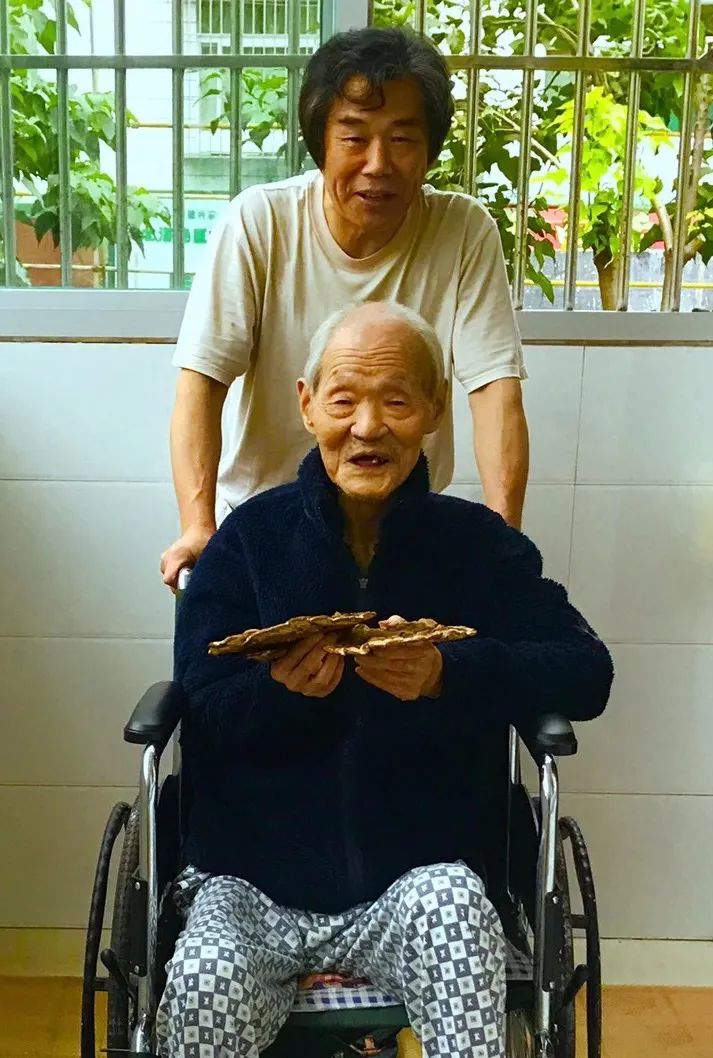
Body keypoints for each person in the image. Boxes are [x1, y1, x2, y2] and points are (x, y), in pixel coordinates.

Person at [155, 302, 613, 1058]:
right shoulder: (249, 541)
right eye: (344, 400)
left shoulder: (477, 546)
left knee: (459, 920)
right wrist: (280, 694)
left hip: (420, 876)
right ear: (307, 406)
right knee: (204, 982)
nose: (367, 428)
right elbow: (201, 700)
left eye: (396, 401)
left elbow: (586, 673)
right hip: (251, 883)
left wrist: (447, 673)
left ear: (434, 409)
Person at [160, 25, 530, 590]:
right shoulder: (260, 222)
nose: (378, 164)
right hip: (266, 527)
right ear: (321, 143)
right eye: (355, 137)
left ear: (429, 149)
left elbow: (495, 391)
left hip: (403, 531)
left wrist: (503, 541)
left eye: (402, 139)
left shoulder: (463, 230)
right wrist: (198, 525)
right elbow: (201, 382)